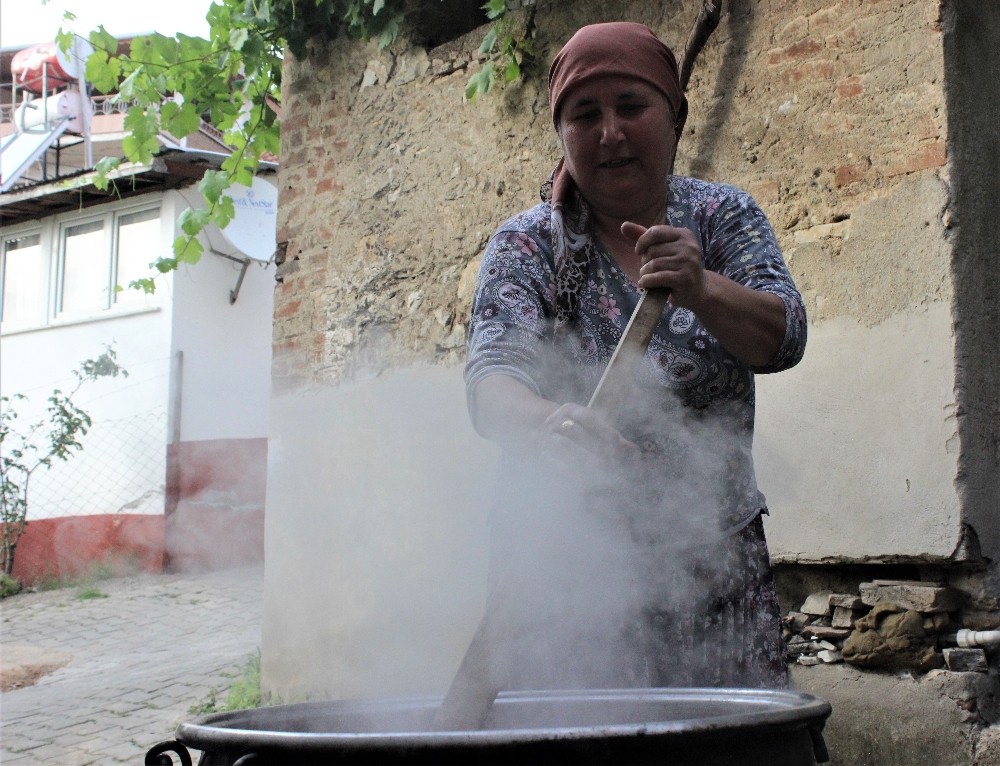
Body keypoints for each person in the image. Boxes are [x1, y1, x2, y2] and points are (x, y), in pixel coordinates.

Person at [464, 22, 807, 691]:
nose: (610, 132)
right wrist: (545, 424)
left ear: (673, 117)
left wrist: (702, 287)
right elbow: (492, 382)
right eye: (584, 115)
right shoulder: (530, 246)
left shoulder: (722, 218)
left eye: (631, 106)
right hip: (567, 568)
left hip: (714, 569)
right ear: (562, 134)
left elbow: (783, 337)